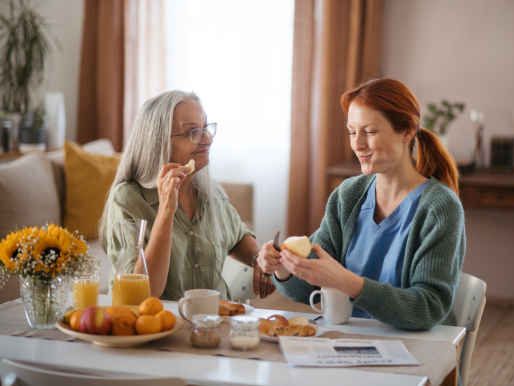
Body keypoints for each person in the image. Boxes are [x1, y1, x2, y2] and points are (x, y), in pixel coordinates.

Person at [257, 78, 466, 330]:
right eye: (352, 132)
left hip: (418, 350)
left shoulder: (440, 207)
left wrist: (347, 282)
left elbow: (429, 308)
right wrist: (284, 267)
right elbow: (308, 289)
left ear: (407, 131)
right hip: (350, 343)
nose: (357, 144)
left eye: (370, 131)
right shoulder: (349, 195)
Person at [99, 91, 276, 301]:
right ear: (159, 142)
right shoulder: (128, 199)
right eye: (193, 132)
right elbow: (139, 296)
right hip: (154, 325)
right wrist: (166, 212)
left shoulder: (211, 192)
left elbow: (237, 236)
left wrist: (259, 258)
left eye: (206, 128)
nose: (208, 139)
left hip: (211, 323)